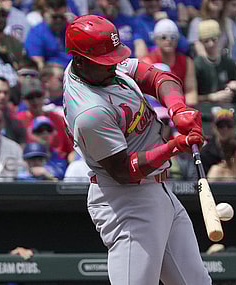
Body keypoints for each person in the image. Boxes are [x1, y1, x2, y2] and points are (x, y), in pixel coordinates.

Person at [63, 15, 210, 284]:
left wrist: (177, 108)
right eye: (104, 61)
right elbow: (123, 171)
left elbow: (157, 77)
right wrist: (174, 147)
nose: (113, 65)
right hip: (127, 202)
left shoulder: (96, 66)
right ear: (80, 60)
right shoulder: (89, 112)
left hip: (158, 191)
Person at [142, 19, 198, 106]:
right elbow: (145, 95)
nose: (169, 40)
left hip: (179, 105)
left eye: (173, 37)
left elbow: (191, 92)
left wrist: (180, 109)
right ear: (156, 39)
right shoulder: (147, 62)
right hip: (155, 107)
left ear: (177, 40)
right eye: (163, 37)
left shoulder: (187, 62)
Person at [194, 19, 236, 105]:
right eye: (206, 41)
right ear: (201, 41)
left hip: (228, 111)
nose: (211, 44)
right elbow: (190, 97)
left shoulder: (228, 63)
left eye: (214, 39)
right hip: (205, 112)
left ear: (220, 37)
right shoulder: (197, 65)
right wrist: (211, 97)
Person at [25, 0, 73, 69]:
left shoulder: (72, 30)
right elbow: (38, 62)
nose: (58, 20)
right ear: (44, 14)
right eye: (54, 17)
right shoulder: (37, 32)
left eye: (62, 17)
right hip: (51, 72)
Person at [200, 108, 236, 174]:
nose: (225, 129)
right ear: (213, 127)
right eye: (220, 125)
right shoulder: (205, 153)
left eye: (229, 125)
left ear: (234, 127)